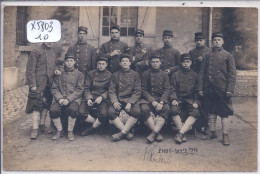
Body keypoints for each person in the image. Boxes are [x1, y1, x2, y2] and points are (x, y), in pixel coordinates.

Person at [197, 32, 236, 146]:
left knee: (224, 112)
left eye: (219, 40)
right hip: (209, 88)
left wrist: (230, 90)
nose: (217, 42)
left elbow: (232, 75)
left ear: (222, 42)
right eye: (215, 40)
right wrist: (200, 88)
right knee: (211, 111)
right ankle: (213, 132)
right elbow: (201, 73)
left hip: (222, 89)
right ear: (212, 42)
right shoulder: (207, 55)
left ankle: (225, 135)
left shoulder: (228, 55)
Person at [25, 42, 62, 140]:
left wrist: (57, 70)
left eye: (52, 40)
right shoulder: (36, 51)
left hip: (49, 84)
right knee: (37, 105)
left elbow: (54, 65)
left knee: (46, 105)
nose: (50, 42)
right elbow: (30, 69)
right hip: (39, 84)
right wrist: (32, 84)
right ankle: (35, 129)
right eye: (48, 40)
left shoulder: (53, 52)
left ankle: (42, 125)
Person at [49, 54, 84, 141]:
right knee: (53, 110)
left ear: (74, 62)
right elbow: (54, 88)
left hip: (74, 98)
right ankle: (59, 131)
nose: (69, 63)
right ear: (65, 62)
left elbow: (80, 89)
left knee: (73, 110)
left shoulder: (79, 74)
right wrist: (60, 98)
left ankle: (70, 131)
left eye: (71, 61)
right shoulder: (60, 74)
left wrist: (69, 99)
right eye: (67, 61)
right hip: (60, 98)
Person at [108, 54, 141, 142]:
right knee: (111, 112)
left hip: (130, 100)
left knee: (137, 112)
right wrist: (114, 102)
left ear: (130, 63)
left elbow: (137, 91)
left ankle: (121, 133)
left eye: (127, 61)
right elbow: (112, 90)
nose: (125, 62)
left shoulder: (135, 74)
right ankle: (127, 133)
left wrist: (130, 103)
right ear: (120, 63)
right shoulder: (115, 75)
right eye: (123, 61)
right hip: (119, 100)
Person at [140, 52, 170, 143]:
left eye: (157, 62)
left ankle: (153, 133)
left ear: (160, 63)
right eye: (153, 62)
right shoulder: (145, 74)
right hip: (148, 99)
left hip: (160, 99)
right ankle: (156, 133)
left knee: (166, 109)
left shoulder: (164, 74)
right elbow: (143, 90)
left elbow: (167, 89)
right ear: (150, 63)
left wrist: (161, 102)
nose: (155, 64)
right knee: (144, 109)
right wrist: (152, 101)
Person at [170, 54, 200, 144]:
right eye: (184, 62)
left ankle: (180, 133)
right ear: (181, 63)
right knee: (173, 109)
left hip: (190, 99)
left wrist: (196, 101)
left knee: (196, 112)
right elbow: (172, 89)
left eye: (188, 62)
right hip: (179, 98)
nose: (186, 64)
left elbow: (197, 91)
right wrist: (174, 99)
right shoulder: (175, 75)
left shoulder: (195, 75)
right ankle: (182, 133)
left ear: (191, 63)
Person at [79, 56, 112, 136]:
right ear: (97, 64)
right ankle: (98, 125)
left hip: (102, 99)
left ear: (106, 65)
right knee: (81, 112)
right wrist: (88, 98)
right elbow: (86, 88)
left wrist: (102, 97)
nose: (101, 66)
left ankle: (91, 129)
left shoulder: (110, 75)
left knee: (104, 114)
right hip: (91, 96)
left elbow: (110, 90)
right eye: (99, 64)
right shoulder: (91, 73)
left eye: (103, 64)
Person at [189, 32, 210, 135]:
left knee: (205, 104)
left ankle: (206, 125)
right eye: (197, 40)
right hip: (194, 81)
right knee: (195, 103)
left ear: (204, 41)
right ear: (195, 41)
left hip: (205, 82)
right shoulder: (192, 52)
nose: (199, 42)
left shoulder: (209, 52)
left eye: (201, 40)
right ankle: (195, 125)